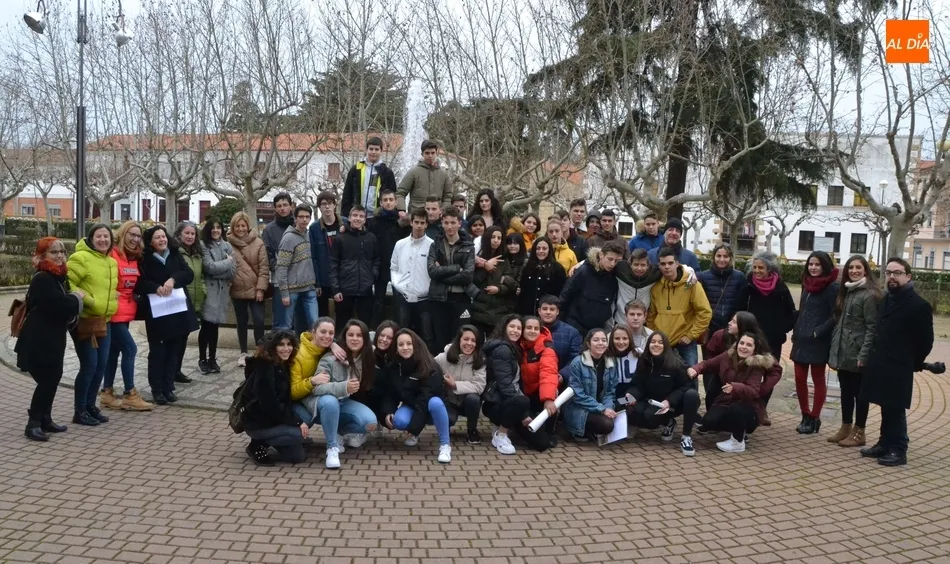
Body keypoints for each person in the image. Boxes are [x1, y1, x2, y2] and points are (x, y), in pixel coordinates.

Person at [860, 258, 934, 467]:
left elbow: (925, 341)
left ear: (908, 276)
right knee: (885, 404)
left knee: (896, 407)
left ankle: (899, 449)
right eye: (889, 273)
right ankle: (884, 443)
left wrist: (913, 361)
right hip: (881, 361)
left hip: (900, 364)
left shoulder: (919, 305)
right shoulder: (886, 299)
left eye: (897, 273)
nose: (892, 277)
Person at [18, 238, 85, 441]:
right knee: (47, 380)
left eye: (62, 252)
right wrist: (76, 298)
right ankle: (33, 424)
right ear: (42, 256)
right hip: (38, 338)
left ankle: (45, 419)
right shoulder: (43, 278)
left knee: (53, 377)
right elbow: (58, 305)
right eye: (53, 252)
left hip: (52, 336)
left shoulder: (57, 276)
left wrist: (71, 299)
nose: (59, 256)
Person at [136, 225, 200, 406]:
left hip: (177, 308)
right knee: (158, 352)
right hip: (157, 310)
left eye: (163, 236)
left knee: (174, 350)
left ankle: (168, 386)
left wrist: (173, 279)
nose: (162, 240)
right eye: (157, 237)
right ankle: (157, 389)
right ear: (150, 242)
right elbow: (139, 283)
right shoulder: (144, 259)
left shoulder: (175, 254)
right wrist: (155, 287)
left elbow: (188, 274)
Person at [67, 223, 119, 426]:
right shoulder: (80, 257)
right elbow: (68, 283)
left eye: (106, 236)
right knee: (89, 365)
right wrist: (89, 300)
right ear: (91, 238)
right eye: (99, 236)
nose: (103, 240)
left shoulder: (111, 261)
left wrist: (112, 299)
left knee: (100, 366)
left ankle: (90, 406)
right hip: (86, 320)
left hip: (104, 321)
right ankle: (79, 410)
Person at [308, 320, 379, 469]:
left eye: (359, 335)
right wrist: (343, 387)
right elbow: (316, 388)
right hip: (325, 405)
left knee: (370, 423)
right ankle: (331, 447)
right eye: (350, 335)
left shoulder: (368, 355)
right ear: (344, 337)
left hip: (345, 403)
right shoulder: (330, 358)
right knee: (330, 401)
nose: (355, 339)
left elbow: (381, 338)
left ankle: (339, 432)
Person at [688, 333, 776, 453]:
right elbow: (709, 364)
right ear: (737, 344)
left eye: (749, 345)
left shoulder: (756, 365)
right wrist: (695, 369)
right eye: (742, 343)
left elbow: (754, 391)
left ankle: (738, 441)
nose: (744, 347)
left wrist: (735, 387)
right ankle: (735, 427)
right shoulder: (728, 356)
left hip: (748, 406)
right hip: (726, 401)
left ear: (754, 349)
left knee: (736, 410)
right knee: (709, 421)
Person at [828, 255, 882, 448]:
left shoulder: (869, 295)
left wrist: (864, 354)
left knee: (860, 394)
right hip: (843, 351)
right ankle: (845, 427)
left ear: (865, 270)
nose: (854, 271)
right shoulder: (848, 291)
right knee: (845, 391)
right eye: (851, 268)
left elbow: (871, 327)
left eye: (858, 267)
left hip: (858, 352)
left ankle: (860, 432)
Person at [619, 331, 699, 456]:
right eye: (653, 342)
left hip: (670, 404)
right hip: (649, 400)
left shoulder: (675, 363)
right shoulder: (643, 360)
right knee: (620, 402)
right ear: (648, 344)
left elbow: (689, 385)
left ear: (666, 346)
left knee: (651, 417)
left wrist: (670, 401)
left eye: (660, 342)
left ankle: (680, 432)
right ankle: (652, 423)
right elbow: (637, 385)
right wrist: (631, 394)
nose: (656, 345)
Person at [481, 315, 553, 453]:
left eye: (519, 328)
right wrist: (523, 414)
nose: (515, 331)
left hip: (511, 403)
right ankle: (501, 434)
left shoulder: (514, 348)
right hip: (496, 403)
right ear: (504, 328)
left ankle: (507, 425)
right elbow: (506, 386)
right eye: (512, 327)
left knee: (542, 443)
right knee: (522, 401)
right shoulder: (503, 350)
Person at [100, 221, 152, 411]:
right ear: (122, 234)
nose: (135, 239)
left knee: (113, 352)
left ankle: (106, 392)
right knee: (130, 349)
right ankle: (130, 393)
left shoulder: (135, 257)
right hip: (113, 312)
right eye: (132, 234)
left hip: (127, 311)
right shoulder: (112, 254)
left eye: (138, 236)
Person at [383, 329, 453, 463]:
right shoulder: (394, 366)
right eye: (401, 344)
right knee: (399, 421)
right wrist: (389, 411)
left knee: (435, 402)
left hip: (432, 407)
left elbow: (425, 398)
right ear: (396, 348)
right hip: (412, 404)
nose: (405, 347)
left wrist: (414, 427)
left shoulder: (429, 365)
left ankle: (445, 445)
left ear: (415, 344)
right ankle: (414, 434)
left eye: (409, 344)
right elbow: (391, 392)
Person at [241, 330, 308, 466]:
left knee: (297, 457)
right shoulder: (265, 368)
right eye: (281, 345)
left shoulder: (283, 363)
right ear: (272, 347)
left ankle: (270, 441)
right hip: (258, 423)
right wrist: (297, 421)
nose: (286, 349)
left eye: (289, 344)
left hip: (273, 420)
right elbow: (270, 405)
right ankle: (257, 444)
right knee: (298, 434)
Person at [791, 250, 839, 435]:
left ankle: (814, 417)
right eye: (811, 264)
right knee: (799, 378)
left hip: (818, 340)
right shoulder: (806, 283)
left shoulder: (832, 288)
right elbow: (803, 310)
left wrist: (818, 332)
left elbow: (835, 315)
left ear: (825, 266)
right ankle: (805, 414)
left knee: (818, 379)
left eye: (817, 264)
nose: (813, 267)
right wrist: (796, 330)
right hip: (801, 339)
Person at [647, 246, 712, 367]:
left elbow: (705, 312)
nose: (667, 267)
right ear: (659, 266)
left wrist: (690, 336)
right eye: (663, 264)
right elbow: (651, 315)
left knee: (690, 374)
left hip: (685, 343)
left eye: (670, 263)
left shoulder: (692, 284)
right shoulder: (656, 287)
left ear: (677, 264)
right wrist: (654, 334)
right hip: (662, 341)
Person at [703, 312, 774, 416]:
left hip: (746, 379)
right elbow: (710, 358)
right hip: (722, 373)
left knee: (741, 406)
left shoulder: (758, 342)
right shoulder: (720, 335)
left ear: (743, 326)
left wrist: (760, 390)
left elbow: (775, 370)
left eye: (734, 322)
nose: (729, 323)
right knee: (712, 392)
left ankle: (758, 413)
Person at [427, 205, 476, 352]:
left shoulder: (468, 246)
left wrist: (441, 274)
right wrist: (456, 268)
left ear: (459, 223)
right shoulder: (435, 245)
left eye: (453, 222)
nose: (449, 227)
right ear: (442, 223)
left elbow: (467, 275)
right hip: (439, 298)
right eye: (446, 223)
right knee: (440, 341)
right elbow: (432, 271)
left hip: (461, 298)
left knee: (459, 341)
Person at [390, 207, 435, 350]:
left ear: (426, 224)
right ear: (411, 222)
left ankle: (427, 362)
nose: (419, 226)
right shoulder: (400, 244)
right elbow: (394, 266)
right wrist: (397, 284)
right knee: (402, 333)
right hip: (403, 297)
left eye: (422, 223)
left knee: (427, 335)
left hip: (425, 299)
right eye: (416, 222)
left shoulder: (432, 245)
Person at [563, 328, 619, 441]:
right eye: (596, 340)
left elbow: (610, 392)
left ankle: (593, 431)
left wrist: (608, 408)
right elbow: (578, 396)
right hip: (581, 408)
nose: (600, 343)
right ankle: (580, 432)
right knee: (607, 425)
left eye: (603, 340)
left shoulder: (611, 362)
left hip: (600, 406)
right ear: (588, 344)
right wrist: (602, 409)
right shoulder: (577, 363)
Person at [228, 211, 269, 368]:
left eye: (243, 225)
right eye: (237, 226)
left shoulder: (258, 243)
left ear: (248, 226)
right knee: (241, 322)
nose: (240, 229)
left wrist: (260, 289)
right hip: (237, 289)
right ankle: (243, 352)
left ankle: (259, 351)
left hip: (255, 289)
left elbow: (264, 268)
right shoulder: (228, 244)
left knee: (259, 321)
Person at [435, 325, 487, 444]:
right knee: (449, 419)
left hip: (468, 403)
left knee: (473, 398)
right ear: (459, 340)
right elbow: (429, 369)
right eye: (466, 339)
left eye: (473, 340)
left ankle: (472, 429)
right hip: (449, 400)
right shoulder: (443, 357)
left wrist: (455, 385)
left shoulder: (480, 360)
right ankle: (445, 428)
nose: (469, 343)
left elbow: (479, 386)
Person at [330, 204, 380, 329]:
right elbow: (333, 265)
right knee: (342, 326)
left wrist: (372, 275)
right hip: (345, 290)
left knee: (364, 326)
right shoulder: (340, 238)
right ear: (349, 218)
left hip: (365, 290)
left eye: (361, 216)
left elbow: (377, 259)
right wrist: (336, 289)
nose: (358, 219)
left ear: (365, 219)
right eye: (355, 215)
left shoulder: (371, 238)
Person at [560, 242, 623, 335]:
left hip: (598, 329)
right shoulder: (583, 271)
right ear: (601, 255)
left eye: (616, 261)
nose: (612, 264)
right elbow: (565, 297)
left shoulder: (613, 278)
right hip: (575, 326)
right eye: (610, 259)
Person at [198, 219, 236, 374]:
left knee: (215, 327)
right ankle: (202, 359)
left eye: (218, 227)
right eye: (213, 228)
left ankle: (212, 358)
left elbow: (232, 271)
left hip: (222, 293)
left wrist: (221, 269)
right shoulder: (203, 245)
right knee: (206, 326)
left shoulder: (227, 246)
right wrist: (227, 262)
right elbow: (209, 267)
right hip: (209, 291)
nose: (215, 230)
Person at [744, 250, 797, 359]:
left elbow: (790, 311)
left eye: (761, 268)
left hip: (774, 341)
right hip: (751, 338)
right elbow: (739, 310)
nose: (756, 270)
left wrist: (781, 330)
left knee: (772, 368)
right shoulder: (747, 285)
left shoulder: (780, 287)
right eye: (754, 267)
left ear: (769, 269)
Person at [368, 189, 409, 325]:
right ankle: (375, 328)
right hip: (380, 266)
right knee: (378, 301)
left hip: (399, 267)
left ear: (396, 202)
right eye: (385, 200)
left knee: (399, 301)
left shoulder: (402, 222)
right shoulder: (374, 222)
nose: (388, 202)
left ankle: (400, 329)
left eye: (391, 200)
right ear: (381, 203)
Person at [276, 204, 318, 331]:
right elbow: (282, 266)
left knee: (315, 323)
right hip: (292, 289)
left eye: (307, 217)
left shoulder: (310, 235)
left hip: (309, 287)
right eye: (301, 217)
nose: (304, 220)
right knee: (286, 326)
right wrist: (284, 293)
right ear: (295, 218)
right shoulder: (288, 238)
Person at [469, 226, 517, 338]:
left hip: (497, 311)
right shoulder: (477, 259)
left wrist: (499, 289)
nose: (496, 240)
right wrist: (486, 266)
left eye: (499, 238)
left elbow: (510, 284)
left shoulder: (504, 261)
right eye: (493, 237)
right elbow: (473, 280)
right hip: (478, 310)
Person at [519, 316, 560, 441]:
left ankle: (550, 431)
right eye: (529, 328)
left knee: (553, 396)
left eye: (536, 328)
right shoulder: (516, 345)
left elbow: (548, 373)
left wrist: (548, 399)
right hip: (521, 394)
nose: (532, 331)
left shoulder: (546, 348)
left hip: (538, 393)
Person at [697, 244, 747, 345]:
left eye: (725, 256)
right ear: (713, 257)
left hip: (731, 327)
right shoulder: (703, 277)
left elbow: (743, 304)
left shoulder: (739, 277)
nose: (722, 259)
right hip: (710, 327)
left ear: (730, 258)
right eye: (719, 256)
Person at [264, 193, 300, 330]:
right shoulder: (269, 230)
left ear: (291, 206)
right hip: (279, 280)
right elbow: (268, 256)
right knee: (280, 319)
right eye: (279, 206)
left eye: (285, 205)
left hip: (299, 280)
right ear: (275, 208)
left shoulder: (299, 226)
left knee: (297, 319)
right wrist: (281, 268)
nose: (282, 208)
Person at [340, 136, 397, 220]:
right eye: (371, 149)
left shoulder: (387, 172)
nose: (373, 152)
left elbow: (392, 195)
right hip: (358, 216)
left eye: (376, 149)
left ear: (381, 151)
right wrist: (345, 214)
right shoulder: (356, 169)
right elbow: (347, 193)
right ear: (366, 150)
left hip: (378, 217)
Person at [175, 221, 203, 384]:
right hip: (179, 300)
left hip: (194, 300)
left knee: (183, 338)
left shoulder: (197, 253)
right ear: (179, 235)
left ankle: (177, 370)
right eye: (187, 233)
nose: (190, 236)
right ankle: (171, 370)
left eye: (193, 234)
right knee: (176, 338)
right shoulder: (175, 252)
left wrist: (203, 291)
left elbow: (201, 275)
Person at [396, 139, 453, 214]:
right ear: (422, 154)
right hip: (417, 215)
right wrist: (401, 210)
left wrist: (443, 210)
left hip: (437, 215)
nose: (430, 156)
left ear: (436, 153)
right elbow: (400, 192)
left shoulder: (444, 174)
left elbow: (448, 196)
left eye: (433, 153)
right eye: (427, 153)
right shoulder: (413, 172)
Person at [309, 191, 342, 320]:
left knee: (342, 312)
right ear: (319, 207)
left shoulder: (344, 223)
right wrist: (317, 283)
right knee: (322, 314)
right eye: (323, 204)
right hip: (323, 279)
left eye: (330, 203)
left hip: (341, 277)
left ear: (335, 205)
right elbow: (314, 257)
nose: (327, 207)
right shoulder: (314, 228)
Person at [517, 237, 567, 316]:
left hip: (548, 313)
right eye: (538, 248)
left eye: (544, 248)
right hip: (528, 313)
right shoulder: (528, 267)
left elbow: (561, 293)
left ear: (549, 250)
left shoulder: (557, 268)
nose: (541, 251)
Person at [537, 295, 582, 372]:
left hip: (561, 375)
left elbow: (575, 359)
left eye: (552, 309)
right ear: (539, 311)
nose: (548, 312)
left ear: (557, 312)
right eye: (545, 309)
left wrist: (562, 375)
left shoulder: (571, 333)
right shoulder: (530, 330)